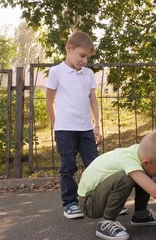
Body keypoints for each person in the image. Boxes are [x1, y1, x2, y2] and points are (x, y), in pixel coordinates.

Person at [45, 31, 103, 219]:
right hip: (65, 130)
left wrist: (97, 126)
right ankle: (70, 203)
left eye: (87, 57)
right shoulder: (56, 72)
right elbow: (49, 101)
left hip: (86, 129)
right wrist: (56, 126)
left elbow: (93, 100)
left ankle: (102, 200)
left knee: (95, 165)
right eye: (82, 55)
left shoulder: (88, 74)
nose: (85, 60)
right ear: (69, 49)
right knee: (68, 167)